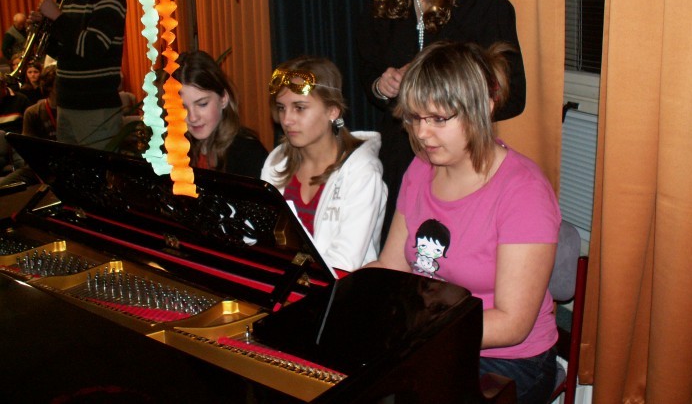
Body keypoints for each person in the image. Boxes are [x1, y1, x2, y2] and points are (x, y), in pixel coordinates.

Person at [366, 41, 559, 404]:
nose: (422, 134)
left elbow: (512, 324)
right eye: (415, 117)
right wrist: (344, 295)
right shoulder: (421, 167)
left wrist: (415, 330)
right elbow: (392, 265)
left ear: (483, 108)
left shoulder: (524, 191)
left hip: (508, 362)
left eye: (439, 119)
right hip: (432, 339)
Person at [357, 0, 526, 244]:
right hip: (401, 154)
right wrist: (382, 85)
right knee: (398, 253)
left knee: (448, 254)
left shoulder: (484, 3)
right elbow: (367, 75)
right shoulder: (387, 1)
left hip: (460, 156)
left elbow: (514, 95)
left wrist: (443, 98)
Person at [261, 57, 386, 272]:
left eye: (299, 108)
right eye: (282, 108)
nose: (287, 120)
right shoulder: (277, 162)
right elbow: (262, 239)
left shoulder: (362, 172)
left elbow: (343, 263)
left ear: (332, 111)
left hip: (342, 289)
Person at [28, 0, 126, 150]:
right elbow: (66, 52)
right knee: (70, 171)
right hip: (66, 103)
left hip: (96, 107)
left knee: (98, 172)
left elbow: (93, 48)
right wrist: (43, 31)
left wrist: (57, 18)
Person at [172, 50, 268, 179]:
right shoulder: (173, 150)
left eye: (202, 104)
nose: (192, 118)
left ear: (223, 99)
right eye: (182, 107)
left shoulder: (249, 154)